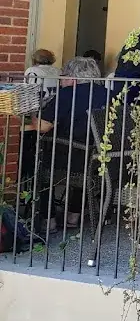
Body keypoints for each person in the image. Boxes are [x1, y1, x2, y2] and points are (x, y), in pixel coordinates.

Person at [21, 56, 108, 230]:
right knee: (85, 158)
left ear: (72, 78)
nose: (61, 81)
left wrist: (31, 114)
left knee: (35, 158)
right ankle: (73, 215)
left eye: (63, 77)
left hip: (66, 158)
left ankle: (48, 219)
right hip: (100, 158)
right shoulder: (108, 94)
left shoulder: (68, 94)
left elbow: (43, 126)